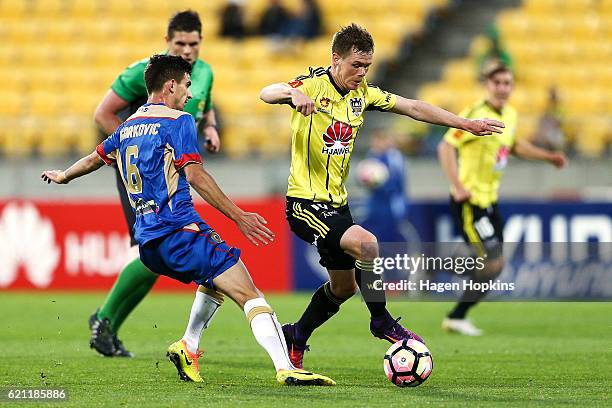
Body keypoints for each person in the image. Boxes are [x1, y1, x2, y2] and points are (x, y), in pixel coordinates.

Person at [41, 54, 335, 386]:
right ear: (171, 85)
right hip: (180, 232)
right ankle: (286, 367)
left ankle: (188, 346)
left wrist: (64, 175)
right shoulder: (178, 121)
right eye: (187, 85)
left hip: (150, 246)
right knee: (249, 293)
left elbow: (95, 158)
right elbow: (194, 175)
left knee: (214, 282)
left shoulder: (128, 127)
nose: (190, 95)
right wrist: (238, 216)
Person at [259, 23, 504, 369]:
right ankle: (381, 321)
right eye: (356, 65)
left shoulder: (364, 95)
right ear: (336, 59)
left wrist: (465, 124)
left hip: (337, 206)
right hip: (304, 203)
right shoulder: (310, 85)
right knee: (368, 244)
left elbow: (414, 107)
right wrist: (292, 95)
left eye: (367, 67)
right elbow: (266, 92)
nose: (361, 73)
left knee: (342, 288)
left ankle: (296, 334)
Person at [90, 10, 222, 358]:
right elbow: (103, 113)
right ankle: (103, 319)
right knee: (152, 250)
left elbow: (203, 108)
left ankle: (105, 326)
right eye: (180, 43)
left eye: (193, 43)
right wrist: (130, 148)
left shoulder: (203, 72)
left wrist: (210, 127)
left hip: (173, 173)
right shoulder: (142, 72)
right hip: (144, 172)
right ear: (167, 42)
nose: (187, 49)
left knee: (154, 257)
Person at [437, 61, 567, 336]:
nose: (503, 88)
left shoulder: (510, 114)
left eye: (507, 83)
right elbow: (446, 146)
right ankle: (447, 283)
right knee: (494, 262)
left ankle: (457, 311)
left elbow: (514, 145)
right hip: (470, 202)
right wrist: (458, 185)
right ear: (487, 85)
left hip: (490, 201)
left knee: (494, 265)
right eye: (497, 83)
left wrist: (548, 157)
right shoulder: (475, 114)